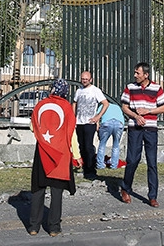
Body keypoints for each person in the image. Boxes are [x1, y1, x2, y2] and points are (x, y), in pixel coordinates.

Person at [27, 78, 76, 236]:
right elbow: (71, 132)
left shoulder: (40, 105)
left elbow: (32, 127)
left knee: (38, 189)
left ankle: (34, 226)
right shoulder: (67, 107)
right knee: (57, 192)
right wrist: (76, 155)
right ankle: (54, 227)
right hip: (60, 153)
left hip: (42, 151)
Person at [119, 62, 164, 207]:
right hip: (135, 128)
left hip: (151, 129)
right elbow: (124, 107)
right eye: (135, 72)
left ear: (146, 75)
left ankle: (152, 196)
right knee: (133, 160)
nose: (135, 75)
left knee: (152, 162)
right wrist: (135, 116)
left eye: (138, 73)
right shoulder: (130, 87)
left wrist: (148, 112)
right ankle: (125, 188)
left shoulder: (156, 88)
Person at [73, 70, 108, 179]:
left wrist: (98, 116)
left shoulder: (95, 90)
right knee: (81, 146)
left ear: (91, 80)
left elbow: (105, 104)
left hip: (90, 122)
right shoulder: (79, 91)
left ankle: (91, 169)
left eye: (86, 79)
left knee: (88, 146)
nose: (84, 81)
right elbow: (74, 103)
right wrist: (74, 118)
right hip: (79, 122)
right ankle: (85, 167)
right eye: (83, 79)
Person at [96, 97, 125, 172]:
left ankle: (100, 165)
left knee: (102, 144)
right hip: (119, 124)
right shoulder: (117, 106)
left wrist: (98, 126)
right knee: (116, 145)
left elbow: (97, 117)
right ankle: (114, 165)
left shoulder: (102, 106)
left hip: (107, 123)